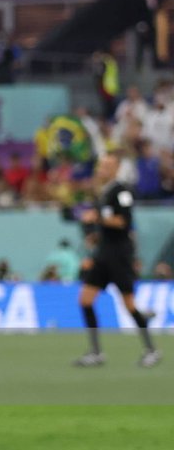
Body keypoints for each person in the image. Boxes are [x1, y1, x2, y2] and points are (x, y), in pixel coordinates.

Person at [74, 152, 160, 368]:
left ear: (116, 167)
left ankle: (151, 350)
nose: (102, 168)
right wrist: (94, 233)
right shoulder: (103, 192)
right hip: (103, 254)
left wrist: (98, 219)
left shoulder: (122, 191)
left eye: (107, 165)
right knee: (85, 300)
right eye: (101, 164)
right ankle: (95, 352)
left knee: (129, 304)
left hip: (119, 255)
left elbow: (123, 221)